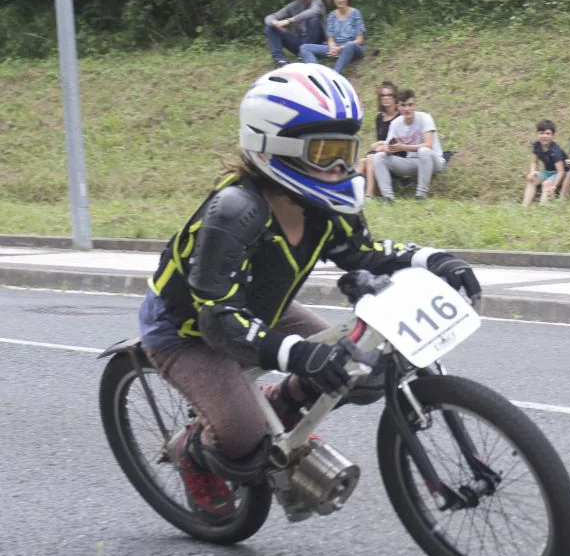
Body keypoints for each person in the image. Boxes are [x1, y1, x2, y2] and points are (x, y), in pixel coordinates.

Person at [137, 63, 481, 519]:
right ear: (274, 149)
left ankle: (281, 404)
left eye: (347, 151)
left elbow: (363, 252)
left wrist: (432, 259)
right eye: (325, 152)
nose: (341, 166)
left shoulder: (324, 204)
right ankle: (191, 452)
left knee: (361, 370)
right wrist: (300, 355)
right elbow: (218, 319)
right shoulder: (233, 210)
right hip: (187, 329)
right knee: (242, 437)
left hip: (263, 307)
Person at [371, 89, 445, 201]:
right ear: (398, 107)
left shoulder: (425, 118)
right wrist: (384, 148)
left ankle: (421, 195)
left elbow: (428, 145)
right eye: (403, 105)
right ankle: (388, 197)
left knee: (424, 151)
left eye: (410, 105)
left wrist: (403, 147)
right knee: (378, 157)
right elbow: (389, 145)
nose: (407, 109)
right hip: (412, 162)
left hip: (432, 161)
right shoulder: (395, 123)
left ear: (415, 105)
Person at [300, 0, 366, 74]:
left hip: (353, 48)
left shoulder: (355, 13)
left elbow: (360, 40)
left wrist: (340, 48)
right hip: (336, 48)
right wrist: (333, 48)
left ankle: (334, 74)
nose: (340, 0)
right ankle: (316, 74)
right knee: (304, 48)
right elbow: (330, 38)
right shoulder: (332, 15)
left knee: (349, 45)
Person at [263, 0, 326, 67]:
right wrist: (274, 23)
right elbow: (269, 17)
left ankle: (306, 53)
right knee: (269, 28)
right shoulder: (293, 6)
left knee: (314, 20)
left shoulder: (317, 2)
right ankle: (280, 61)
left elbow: (313, 12)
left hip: (317, 43)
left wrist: (289, 20)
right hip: (300, 42)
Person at [358, 81, 400, 200]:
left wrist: (379, 144)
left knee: (371, 158)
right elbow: (379, 141)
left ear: (394, 97)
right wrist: (377, 145)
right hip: (381, 152)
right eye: (382, 95)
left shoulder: (399, 117)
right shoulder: (379, 118)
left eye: (389, 95)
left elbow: (395, 141)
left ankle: (369, 194)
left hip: (395, 152)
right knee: (362, 161)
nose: (385, 98)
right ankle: (352, 192)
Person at [523, 120, 566, 207]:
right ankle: (524, 206)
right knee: (532, 180)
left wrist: (554, 185)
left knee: (546, 184)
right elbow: (534, 162)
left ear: (553, 135)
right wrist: (532, 172)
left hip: (559, 173)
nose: (544, 136)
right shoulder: (537, 145)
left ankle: (543, 207)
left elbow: (561, 171)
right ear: (537, 134)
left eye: (548, 133)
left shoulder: (555, 150)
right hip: (547, 171)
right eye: (541, 133)